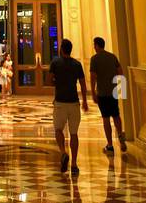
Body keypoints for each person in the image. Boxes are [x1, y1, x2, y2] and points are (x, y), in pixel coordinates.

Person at [49, 37, 89, 178]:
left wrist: (57, 81)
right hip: (74, 103)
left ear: (61, 49)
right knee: (74, 134)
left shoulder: (55, 62)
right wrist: (84, 101)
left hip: (60, 102)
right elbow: (83, 85)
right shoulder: (77, 64)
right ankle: (74, 165)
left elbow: (51, 80)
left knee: (58, 130)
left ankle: (63, 152)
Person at [89, 37, 127, 157]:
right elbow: (120, 72)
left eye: (94, 45)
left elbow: (93, 77)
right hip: (113, 91)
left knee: (106, 118)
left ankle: (110, 145)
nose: (94, 47)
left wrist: (93, 93)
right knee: (116, 115)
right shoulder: (112, 56)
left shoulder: (94, 59)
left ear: (97, 46)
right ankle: (120, 135)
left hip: (103, 93)